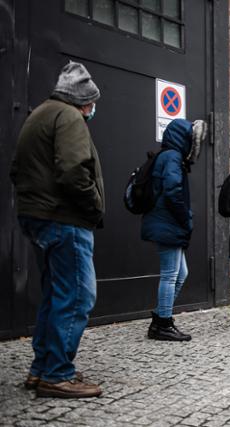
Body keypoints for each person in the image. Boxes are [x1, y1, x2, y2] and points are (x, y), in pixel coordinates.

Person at [9, 61, 103, 398]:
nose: (92, 109)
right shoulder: (69, 117)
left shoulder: (39, 115)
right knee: (78, 294)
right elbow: (74, 170)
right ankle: (57, 373)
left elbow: (17, 170)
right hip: (65, 219)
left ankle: (41, 369)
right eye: (91, 103)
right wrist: (93, 206)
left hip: (37, 218)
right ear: (83, 100)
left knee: (55, 294)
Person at [142, 119, 206, 341]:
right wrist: (185, 217)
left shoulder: (170, 157)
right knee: (170, 275)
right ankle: (163, 324)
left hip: (167, 223)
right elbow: (172, 191)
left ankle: (160, 317)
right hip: (167, 223)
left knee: (181, 274)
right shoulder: (171, 157)